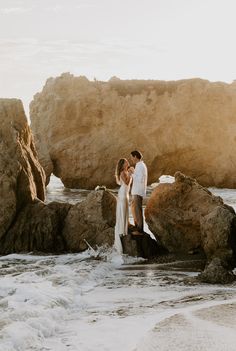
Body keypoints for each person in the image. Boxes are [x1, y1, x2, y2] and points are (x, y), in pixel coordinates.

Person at [114, 158, 132, 254]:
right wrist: (130, 174)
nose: (128, 162)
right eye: (126, 162)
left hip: (126, 193)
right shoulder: (122, 172)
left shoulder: (126, 171)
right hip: (123, 193)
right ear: (123, 164)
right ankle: (122, 230)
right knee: (123, 210)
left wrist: (129, 173)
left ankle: (124, 229)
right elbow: (127, 182)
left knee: (125, 210)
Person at [130, 150, 148, 234]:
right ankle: (137, 227)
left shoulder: (140, 166)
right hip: (136, 191)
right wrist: (133, 173)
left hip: (138, 191)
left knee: (138, 211)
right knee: (134, 210)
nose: (131, 159)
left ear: (135, 157)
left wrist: (132, 173)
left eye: (132, 157)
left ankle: (140, 230)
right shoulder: (139, 165)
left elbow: (140, 179)